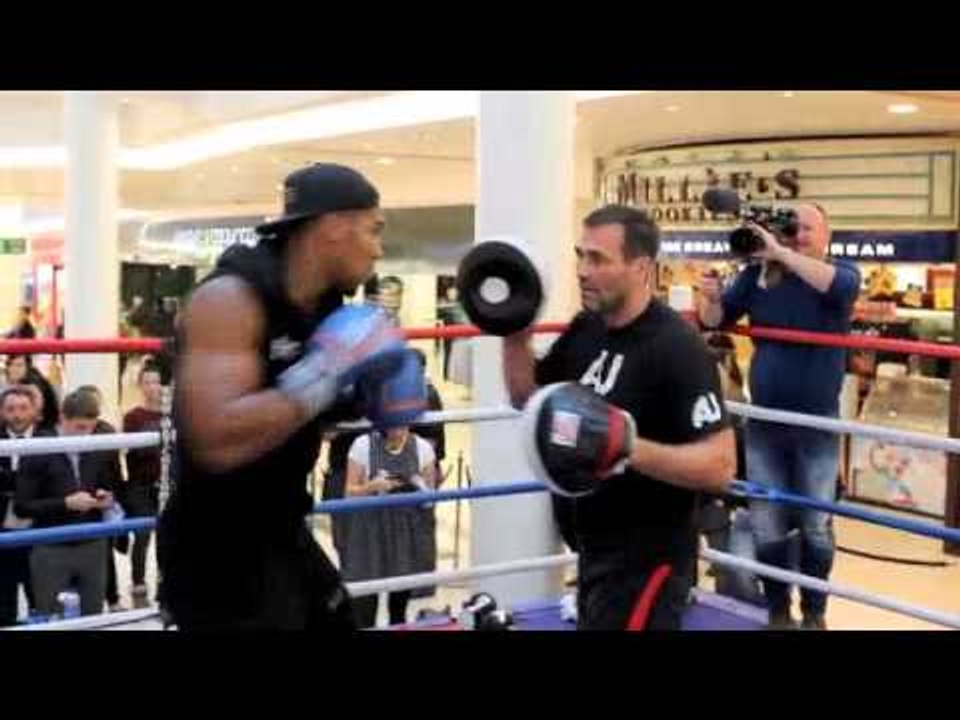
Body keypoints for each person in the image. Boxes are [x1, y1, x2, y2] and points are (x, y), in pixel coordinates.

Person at [157, 163, 420, 631]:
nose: (378, 249)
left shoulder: (324, 306)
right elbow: (216, 438)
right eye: (373, 230)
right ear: (335, 226)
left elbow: (305, 407)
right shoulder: (229, 299)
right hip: (217, 551)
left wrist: (369, 390)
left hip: (282, 527)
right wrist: (328, 371)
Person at [502, 205, 735, 631]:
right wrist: (515, 331)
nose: (582, 271)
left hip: (648, 565)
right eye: (581, 256)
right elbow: (527, 398)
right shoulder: (586, 329)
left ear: (641, 267)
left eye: (598, 259)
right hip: (593, 551)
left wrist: (625, 445)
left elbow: (720, 468)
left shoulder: (678, 348)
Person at [698, 203, 861, 630]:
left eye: (806, 228)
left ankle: (815, 613)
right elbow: (716, 320)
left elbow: (838, 287)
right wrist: (710, 297)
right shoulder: (757, 277)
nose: (797, 235)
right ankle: (777, 611)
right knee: (767, 524)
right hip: (765, 424)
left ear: (827, 235)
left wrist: (780, 251)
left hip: (817, 425)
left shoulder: (841, 274)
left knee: (816, 525)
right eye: (791, 228)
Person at [15, 390, 122, 617]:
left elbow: (108, 487)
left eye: (91, 428)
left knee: (93, 616)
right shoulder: (37, 448)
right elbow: (22, 507)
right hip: (50, 546)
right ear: (62, 418)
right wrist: (65, 503)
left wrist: (105, 499)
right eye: (80, 427)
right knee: (51, 617)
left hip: (93, 543)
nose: (86, 434)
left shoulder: (96, 446)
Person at [342, 424, 437, 627]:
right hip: (369, 532)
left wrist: (419, 487)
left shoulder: (422, 447)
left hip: (404, 534)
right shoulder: (363, 444)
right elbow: (348, 494)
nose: (398, 429)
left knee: (398, 610)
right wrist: (372, 487)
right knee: (365, 609)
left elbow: (430, 501)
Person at [75, 385, 127, 613]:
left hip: (103, 498)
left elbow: (115, 469)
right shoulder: (69, 432)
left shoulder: (107, 430)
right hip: (77, 498)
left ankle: (112, 598)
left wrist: (116, 497)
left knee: (105, 552)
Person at [122, 363, 165, 608]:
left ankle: (163, 584)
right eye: (147, 382)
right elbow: (134, 452)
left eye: (155, 381)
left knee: (165, 537)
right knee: (141, 536)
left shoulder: (171, 415)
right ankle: (138, 583)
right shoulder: (133, 417)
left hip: (166, 486)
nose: (151, 387)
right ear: (140, 386)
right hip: (141, 485)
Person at [0, 387, 38, 625]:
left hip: (40, 528)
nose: (17, 415)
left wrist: (9, 479)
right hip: (3, 531)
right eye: (11, 409)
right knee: (4, 600)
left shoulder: (49, 439)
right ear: (2, 412)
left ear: (34, 410)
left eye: (23, 408)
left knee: (40, 597)